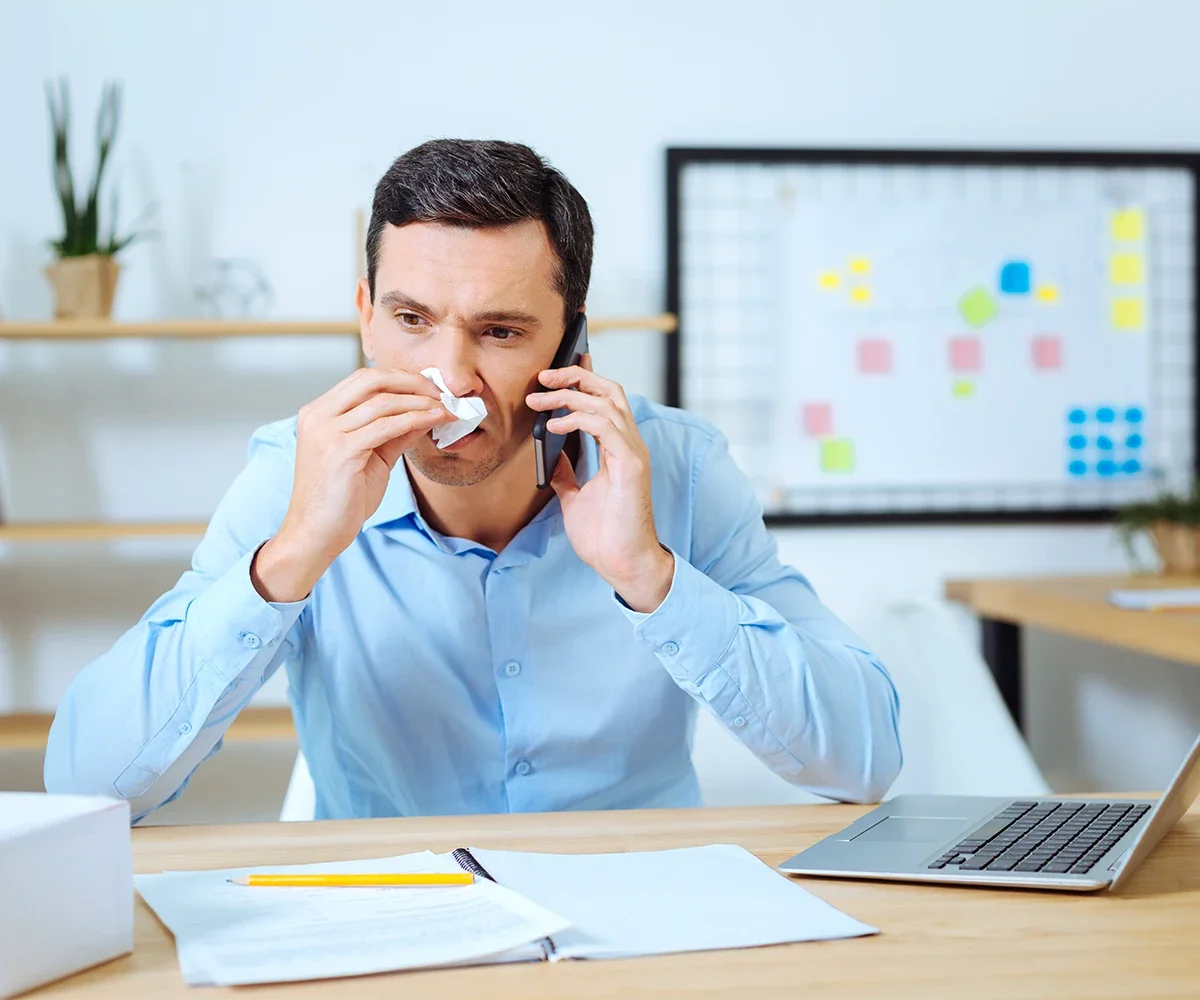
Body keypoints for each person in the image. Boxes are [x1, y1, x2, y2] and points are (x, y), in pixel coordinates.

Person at [44, 139, 901, 822]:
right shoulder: (293, 473)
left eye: (498, 331)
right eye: (412, 320)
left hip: (633, 910)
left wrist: (652, 577)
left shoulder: (676, 467)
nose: (446, 377)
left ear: (571, 345)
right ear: (365, 319)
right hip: (393, 921)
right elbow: (89, 786)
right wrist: (293, 554)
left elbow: (864, 761)